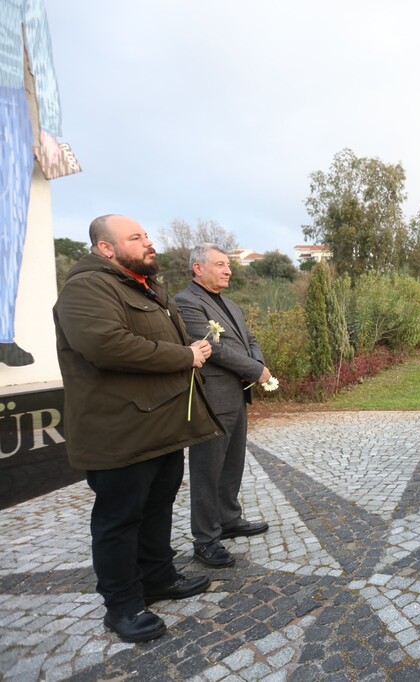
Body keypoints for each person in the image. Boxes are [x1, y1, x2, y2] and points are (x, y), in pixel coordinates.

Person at [53, 215, 221, 643]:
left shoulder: (144, 286)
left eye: (147, 235)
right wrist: (183, 357)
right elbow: (105, 345)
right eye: (136, 237)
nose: (149, 243)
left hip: (159, 426)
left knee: (157, 505)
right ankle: (123, 605)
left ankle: (158, 577)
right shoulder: (86, 288)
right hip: (119, 431)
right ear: (106, 248)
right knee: (119, 519)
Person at [174, 245, 272, 569]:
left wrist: (257, 361)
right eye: (220, 264)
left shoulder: (229, 303)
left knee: (232, 464)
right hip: (212, 399)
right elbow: (213, 349)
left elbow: (249, 338)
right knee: (207, 470)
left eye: (228, 265)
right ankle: (205, 540)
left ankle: (229, 519)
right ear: (197, 268)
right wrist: (254, 370)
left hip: (236, 396)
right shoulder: (187, 302)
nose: (228, 270)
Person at [1, 0, 63, 366]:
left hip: (9, 103)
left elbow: (41, 58)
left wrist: (50, 128)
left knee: (8, 228)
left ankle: (2, 334)